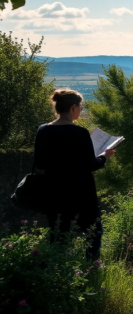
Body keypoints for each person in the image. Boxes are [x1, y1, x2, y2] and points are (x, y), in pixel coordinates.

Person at [34, 89, 114, 260]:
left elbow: (39, 163)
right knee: (93, 230)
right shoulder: (80, 133)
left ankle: (55, 266)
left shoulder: (43, 130)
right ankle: (91, 265)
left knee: (58, 231)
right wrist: (104, 157)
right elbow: (91, 165)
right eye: (81, 106)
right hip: (81, 191)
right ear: (73, 108)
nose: (81, 109)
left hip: (53, 190)